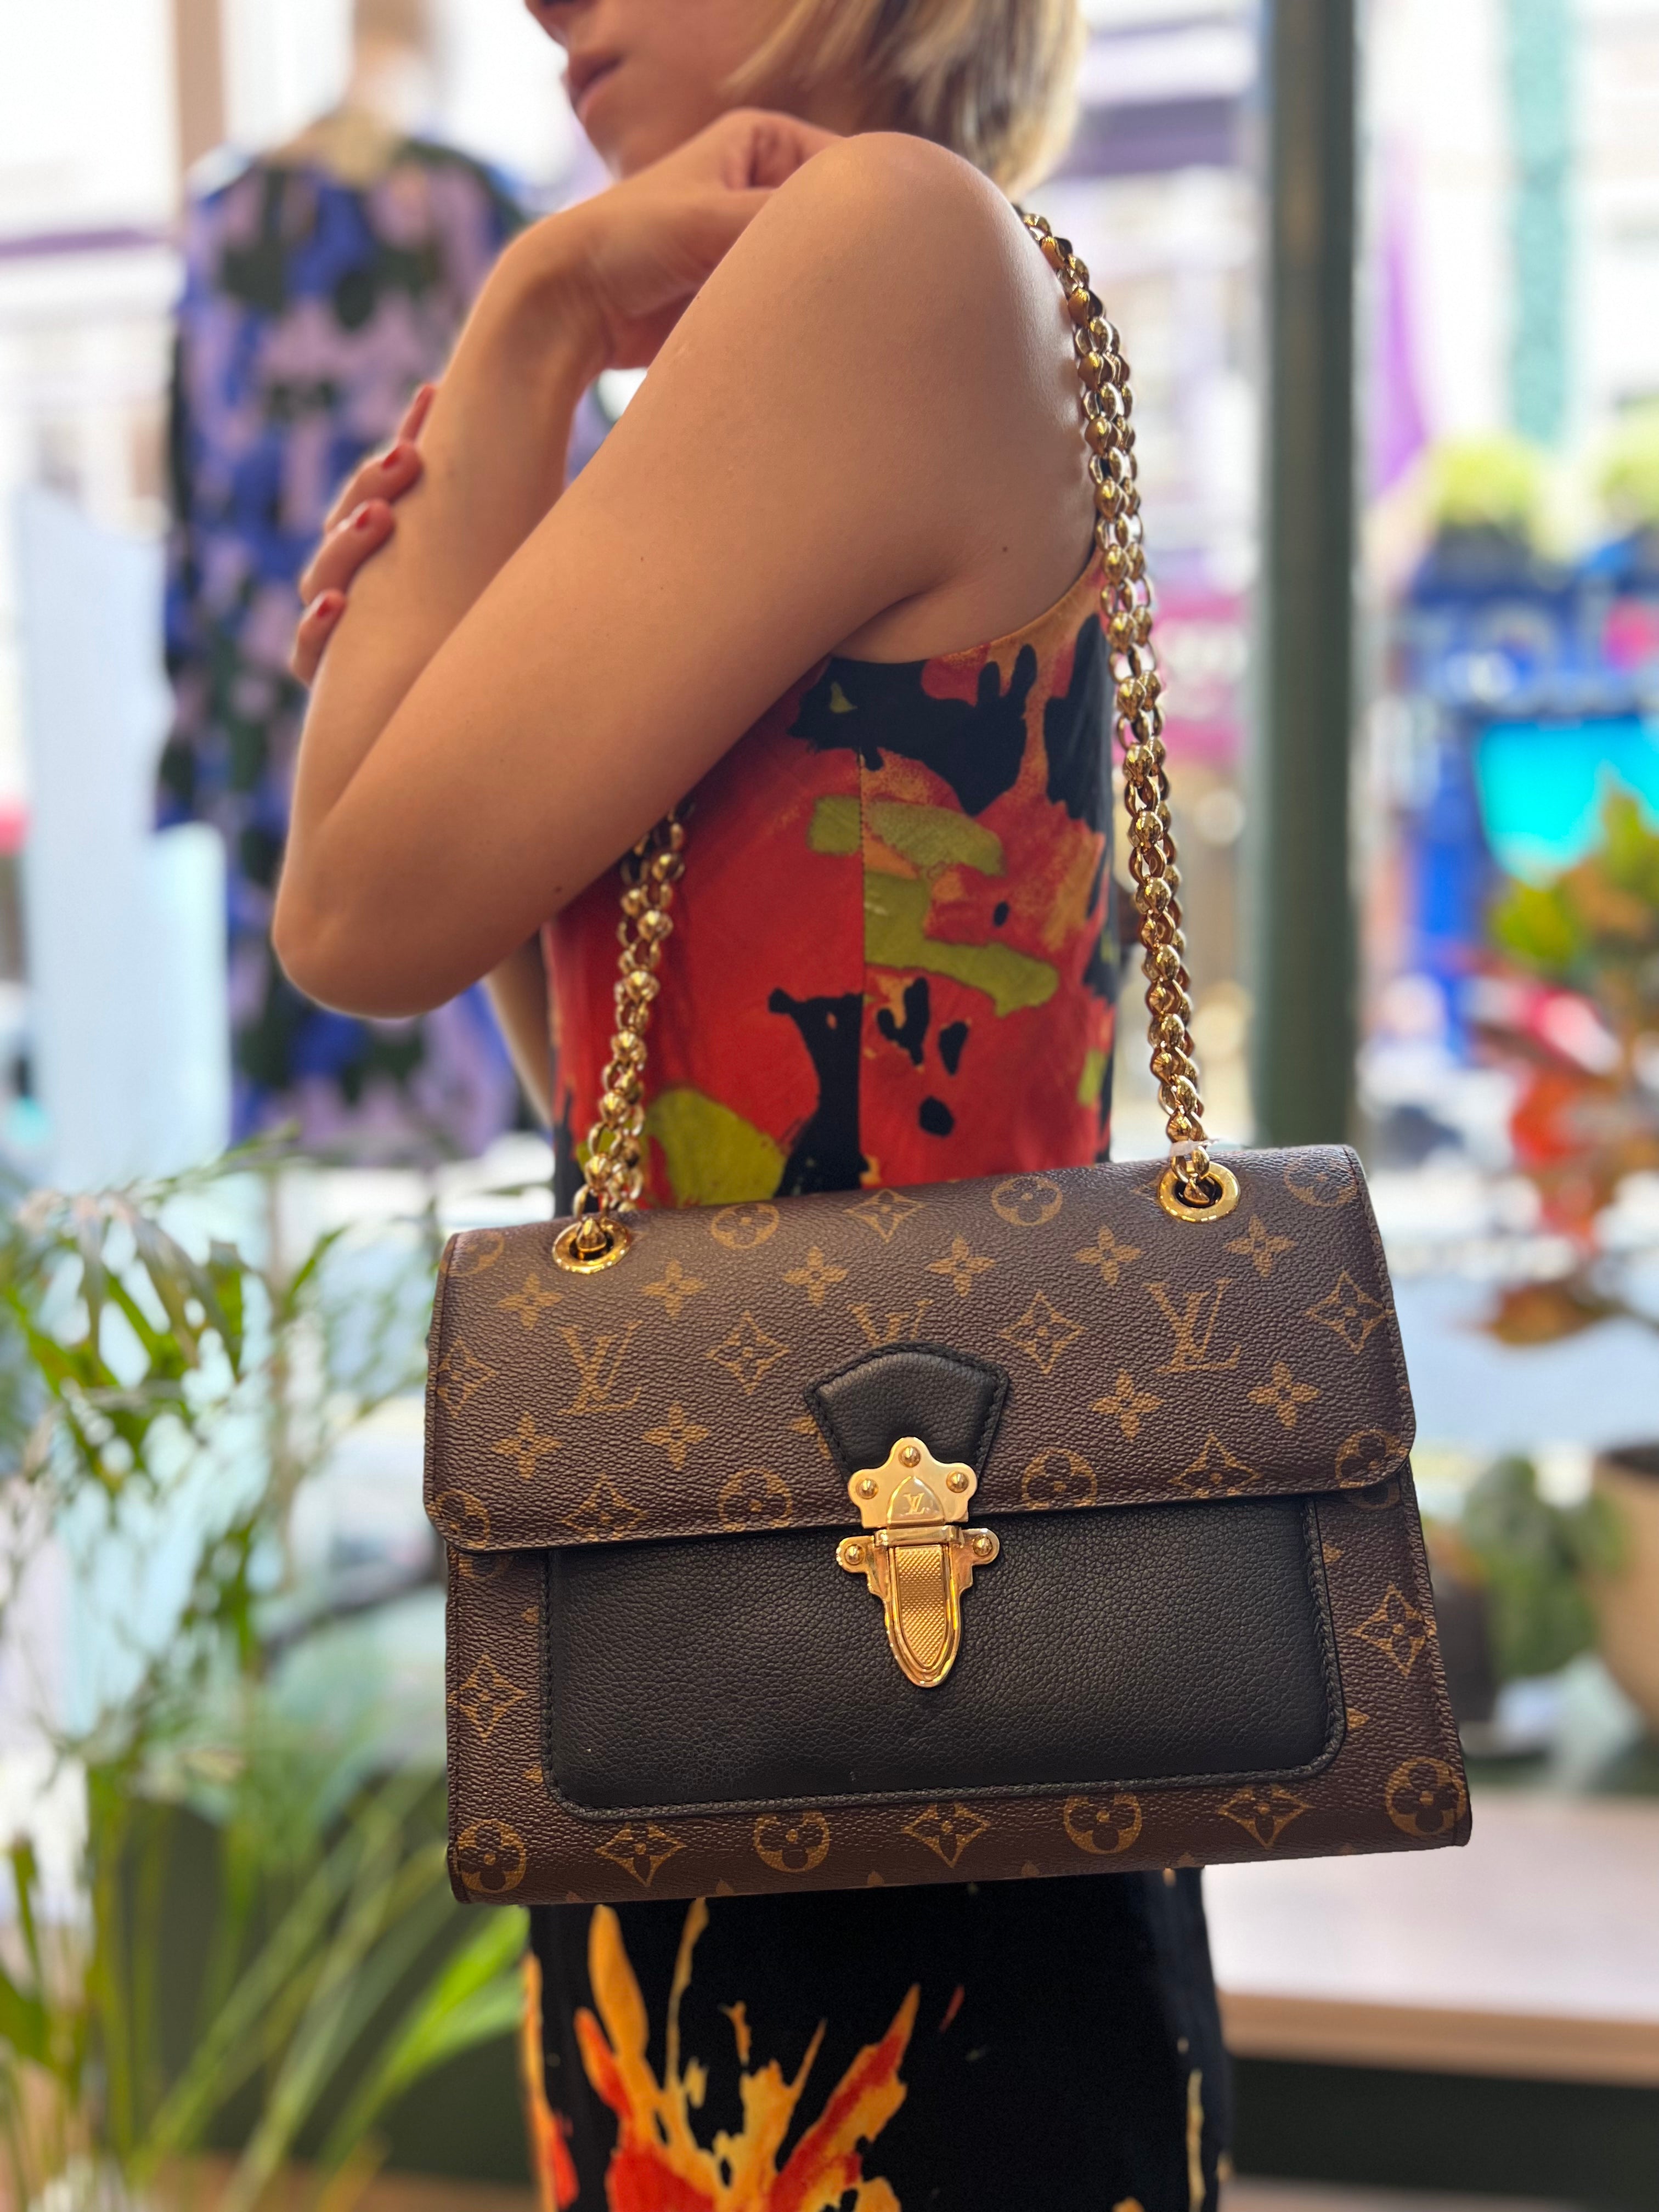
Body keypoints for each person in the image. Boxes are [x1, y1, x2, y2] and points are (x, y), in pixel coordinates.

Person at [278, 2, 1230, 2203]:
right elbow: (607, 1104)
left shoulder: (886, 238)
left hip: (865, 1748)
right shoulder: (898, 298)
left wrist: (530, 315)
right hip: (759, 1687)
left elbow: (343, 915)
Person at [160, 0, 523, 1162]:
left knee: (309, 932)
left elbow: (189, 481)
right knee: (431, 936)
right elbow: (558, 466)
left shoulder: (226, 216)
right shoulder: (476, 206)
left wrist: (189, 722)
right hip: (436, 654)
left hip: (265, 659)